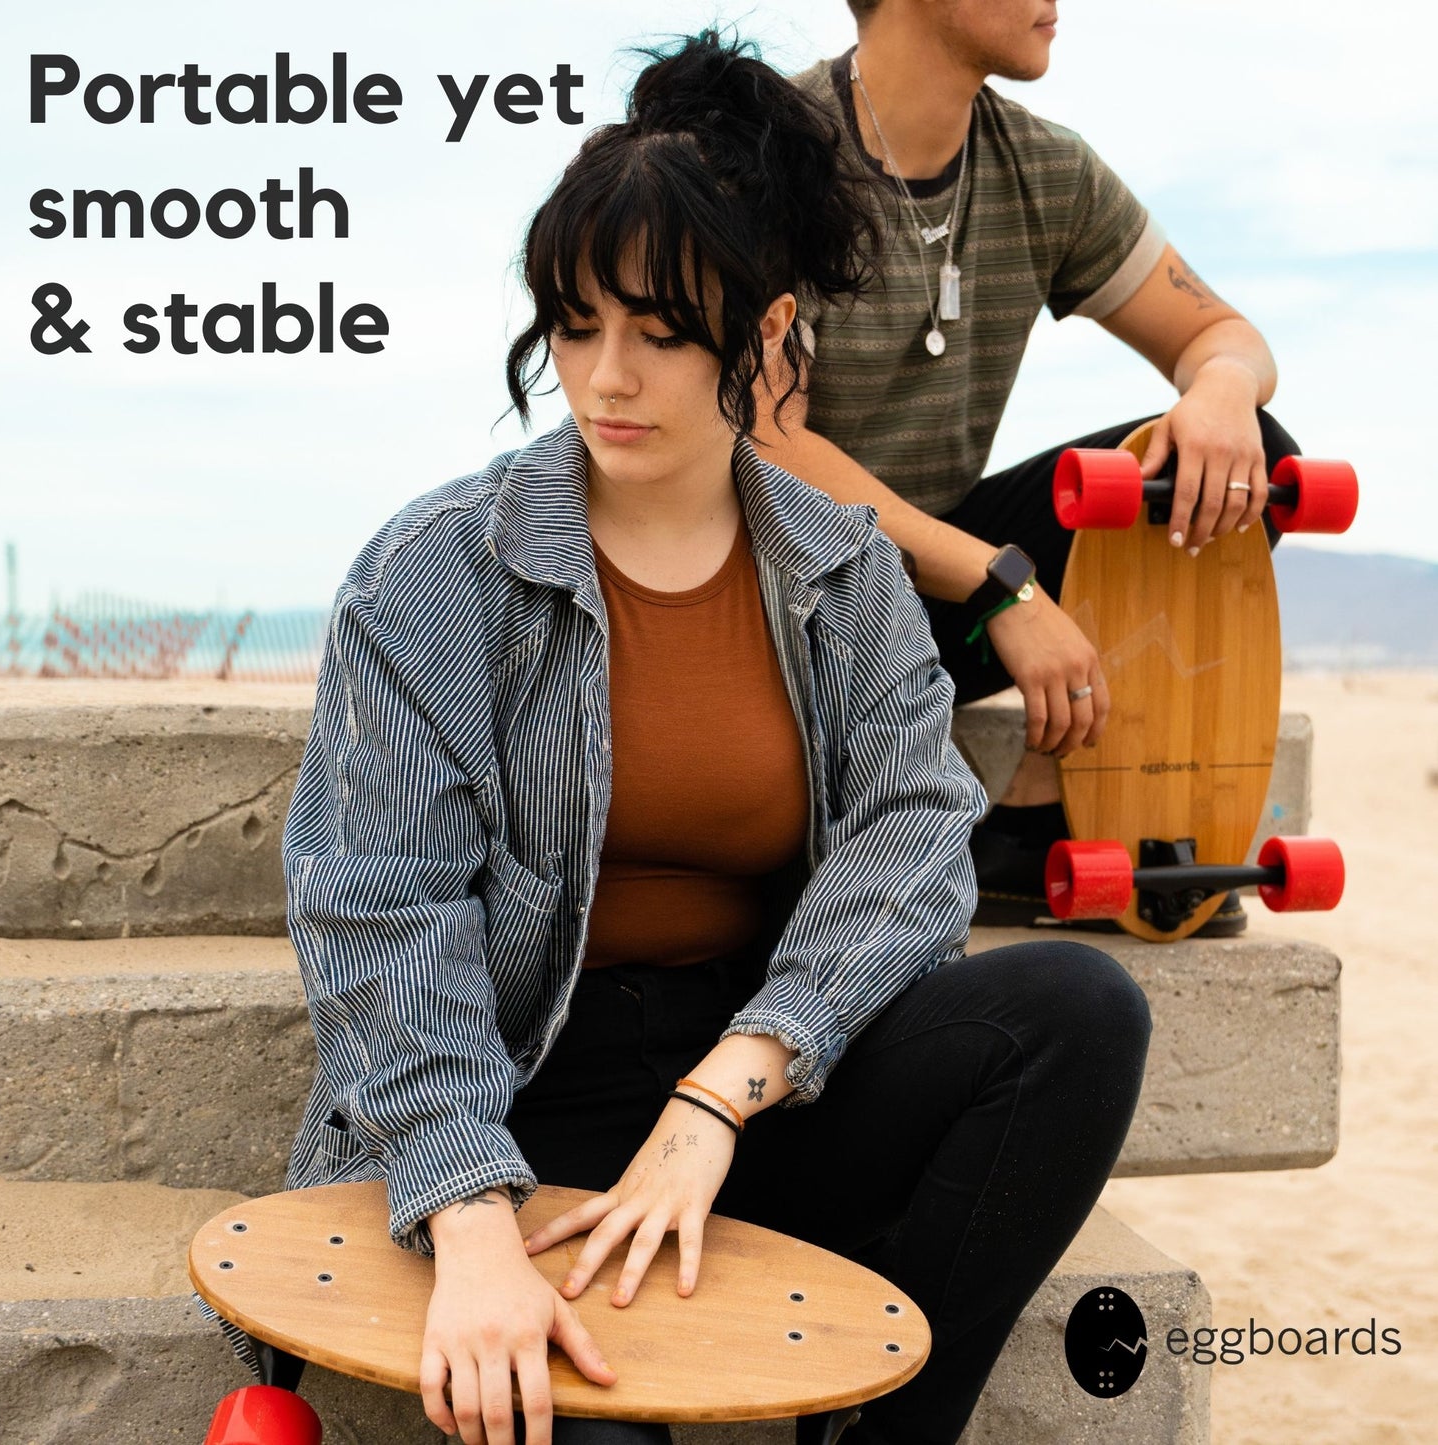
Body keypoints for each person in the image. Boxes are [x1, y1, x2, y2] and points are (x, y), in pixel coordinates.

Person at [275, 33, 1151, 1445]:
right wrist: (475, 1229)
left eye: (660, 333)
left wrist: (730, 1086)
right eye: (574, 325)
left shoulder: (842, 570)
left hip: (750, 1084)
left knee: (1076, 1015)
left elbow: (916, 837)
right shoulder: (435, 575)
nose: (606, 376)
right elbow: (378, 915)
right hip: (524, 1102)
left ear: (763, 332)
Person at [758, 0, 1298, 932]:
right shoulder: (768, 157)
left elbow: (1224, 336)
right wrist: (1005, 585)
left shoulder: (1044, 169)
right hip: (778, 608)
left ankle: (1035, 822)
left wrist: (1216, 389)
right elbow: (765, 445)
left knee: (1253, 459)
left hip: (933, 607)